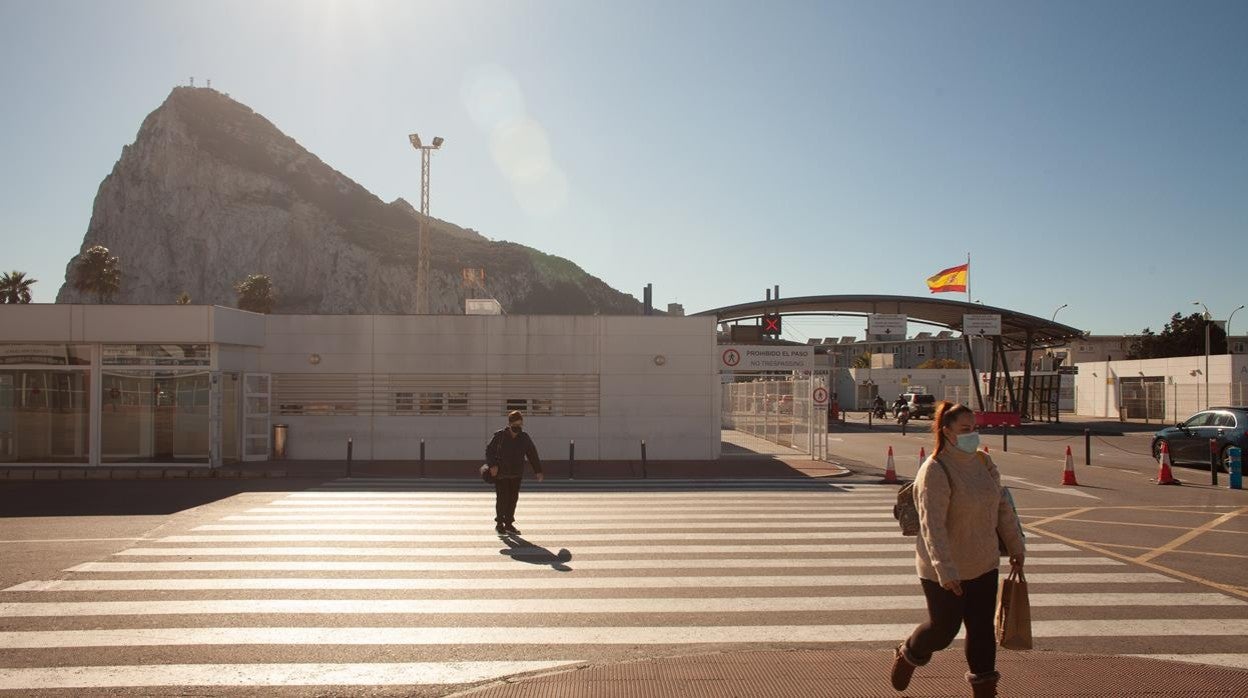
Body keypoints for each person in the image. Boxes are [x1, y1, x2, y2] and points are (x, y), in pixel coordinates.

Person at [890, 401, 1025, 698]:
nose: (972, 435)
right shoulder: (935, 469)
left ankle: (985, 691)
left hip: (983, 561)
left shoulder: (984, 462)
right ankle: (909, 652)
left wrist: (1016, 546)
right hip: (944, 568)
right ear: (946, 431)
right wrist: (945, 570)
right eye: (965, 429)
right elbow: (931, 525)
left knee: (981, 631)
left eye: (974, 428)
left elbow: (1002, 505)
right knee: (943, 631)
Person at [486, 410, 544, 535]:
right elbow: (489, 451)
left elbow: (532, 454)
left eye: (520, 424)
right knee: (502, 498)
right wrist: (492, 465)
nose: (518, 427)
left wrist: (538, 471)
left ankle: (509, 524)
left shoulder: (524, 437)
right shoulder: (500, 436)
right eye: (516, 425)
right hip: (501, 473)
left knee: (513, 499)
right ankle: (499, 524)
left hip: (516, 473)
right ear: (510, 423)